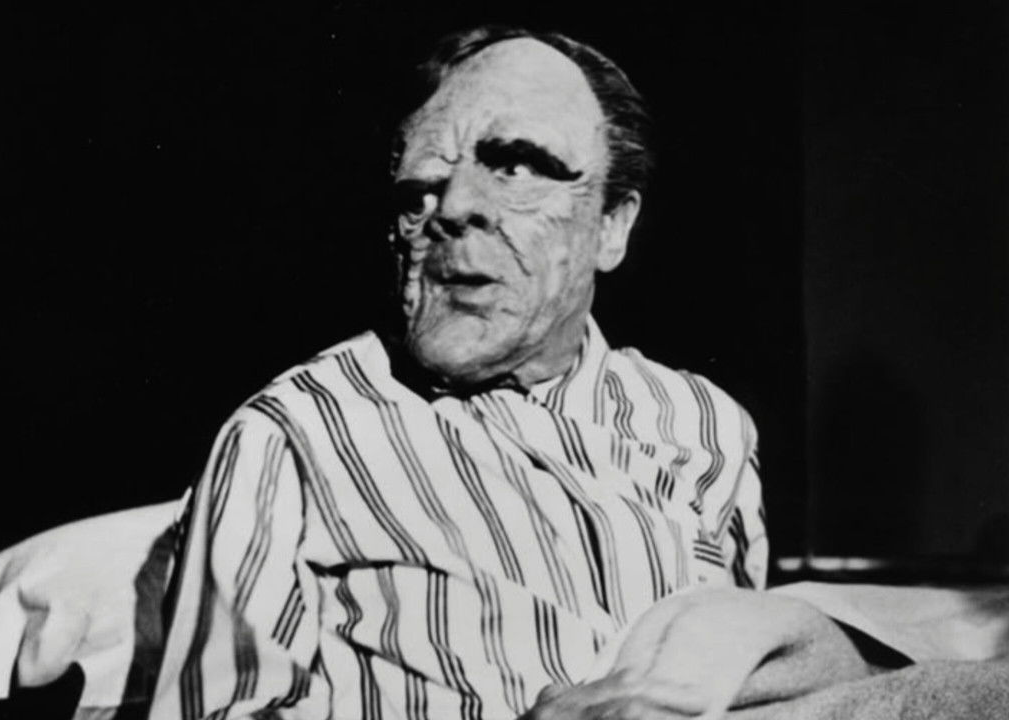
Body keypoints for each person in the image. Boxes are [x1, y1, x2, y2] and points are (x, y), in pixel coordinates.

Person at [149, 26, 767, 720]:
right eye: (420, 191)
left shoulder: (704, 426)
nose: (451, 209)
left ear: (611, 226)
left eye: (516, 167)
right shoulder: (295, 435)